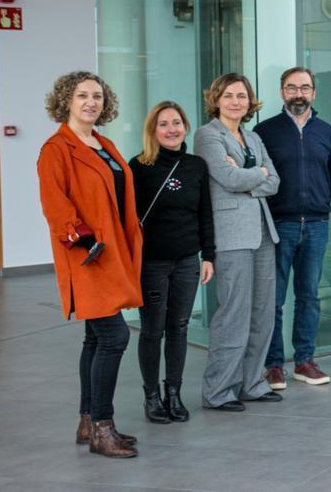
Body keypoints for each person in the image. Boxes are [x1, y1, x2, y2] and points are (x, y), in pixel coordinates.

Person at [38, 71, 143, 458]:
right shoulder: (56, 149)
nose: (91, 102)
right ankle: (102, 427)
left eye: (97, 96)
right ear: (66, 100)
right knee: (115, 337)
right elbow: (55, 205)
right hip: (88, 256)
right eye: (82, 95)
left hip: (113, 252)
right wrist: (84, 240)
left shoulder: (103, 144)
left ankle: (87, 422)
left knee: (96, 338)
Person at [195, 73, 282, 411]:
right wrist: (256, 174)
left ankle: (253, 383)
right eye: (229, 95)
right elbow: (227, 178)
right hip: (231, 234)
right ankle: (219, 391)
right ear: (217, 99)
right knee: (233, 313)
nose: (236, 102)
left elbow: (274, 180)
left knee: (263, 313)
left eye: (242, 96)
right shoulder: (207, 135)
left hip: (262, 231)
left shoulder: (253, 137)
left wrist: (256, 176)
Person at [129, 101, 215, 425]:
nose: (171, 129)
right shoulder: (137, 167)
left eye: (176, 123)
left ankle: (173, 393)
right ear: (153, 130)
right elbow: (126, 220)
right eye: (163, 124)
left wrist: (209, 256)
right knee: (152, 330)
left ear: (186, 127)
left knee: (178, 328)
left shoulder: (196, 166)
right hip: (151, 263)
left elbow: (204, 213)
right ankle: (151, 397)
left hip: (187, 262)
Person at [255, 67, 331, 389]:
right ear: (282, 93)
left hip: (316, 225)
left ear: (314, 93)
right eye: (292, 88)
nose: (298, 94)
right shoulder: (265, 131)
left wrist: (316, 203)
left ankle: (305, 361)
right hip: (279, 225)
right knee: (273, 299)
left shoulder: (326, 131)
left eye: (304, 88)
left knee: (309, 296)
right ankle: (274, 364)